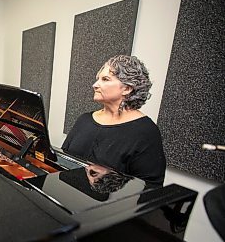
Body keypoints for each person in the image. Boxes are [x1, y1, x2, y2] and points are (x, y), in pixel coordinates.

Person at [61, 55, 166, 189]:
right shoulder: (85, 120)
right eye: (97, 79)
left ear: (127, 88)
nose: (95, 85)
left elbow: (151, 188)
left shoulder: (145, 132)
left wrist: (112, 178)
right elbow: (64, 160)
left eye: (105, 79)